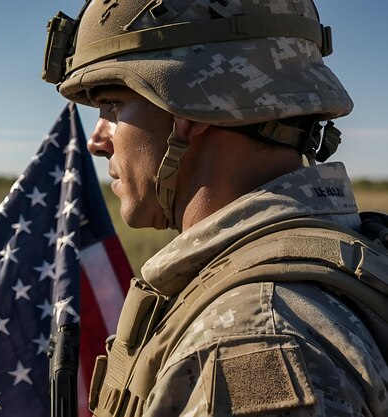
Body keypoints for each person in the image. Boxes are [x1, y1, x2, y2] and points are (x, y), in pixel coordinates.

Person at [42, 1, 388, 416]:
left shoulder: (247, 340)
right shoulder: (348, 253)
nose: (98, 140)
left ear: (188, 107)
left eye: (113, 105)